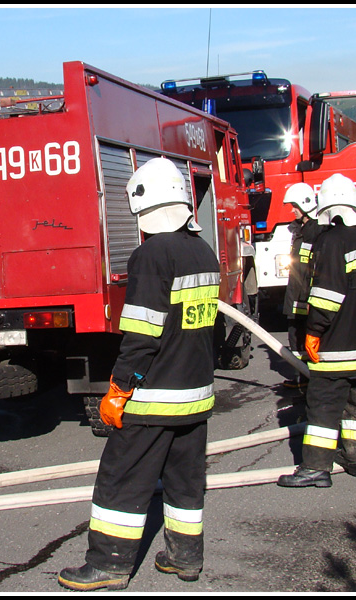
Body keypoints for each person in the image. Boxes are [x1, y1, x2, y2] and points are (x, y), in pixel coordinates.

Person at [58, 157, 220, 591]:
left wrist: (119, 387)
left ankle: (108, 565)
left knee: (121, 479)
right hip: (196, 395)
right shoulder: (204, 252)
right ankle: (186, 558)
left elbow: (142, 334)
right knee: (186, 481)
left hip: (154, 399)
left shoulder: (151, 255)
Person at [277, 174, 356, 488]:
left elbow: (326, 296)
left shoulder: (330, 240)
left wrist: (314, 331)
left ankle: (316, 468)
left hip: (336, 347)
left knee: (323, 405)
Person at [281, 182, 324, 389]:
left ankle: (310, 380)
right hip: (296, 295)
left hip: (305, 297)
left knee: (305, 340)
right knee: (295, 339)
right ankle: (303, 378)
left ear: (306, 205)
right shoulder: (300, 231)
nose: (292, 210)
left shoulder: (315, 232)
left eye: (295, 206)